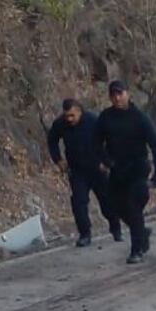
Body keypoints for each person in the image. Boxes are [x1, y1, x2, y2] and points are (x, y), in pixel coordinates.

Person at [92, 80, 156, 264]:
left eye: (120, 93)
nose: (117, 98)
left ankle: (136, 250)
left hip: (138, 169)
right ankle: (140, 232)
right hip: (117, 170)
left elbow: (155, 144)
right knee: (114, 207)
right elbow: (95, 143)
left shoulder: (139, 117)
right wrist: (105, 161)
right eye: (113, 95)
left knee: (133, 208)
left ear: (127, 94)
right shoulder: (106, 117)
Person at [48, 98, 119, 247]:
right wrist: (58, 160)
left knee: (107, 201)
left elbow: (110, 140)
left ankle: (115, 226)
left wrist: (106, 162)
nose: (70, 119)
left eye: (72, 116)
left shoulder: (93, 121)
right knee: (79, 203)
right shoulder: (61, 124)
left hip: (96, 168)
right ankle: (84, 234)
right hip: (77, 170)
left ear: (80, 112)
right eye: (67, 116)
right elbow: (52, 140)